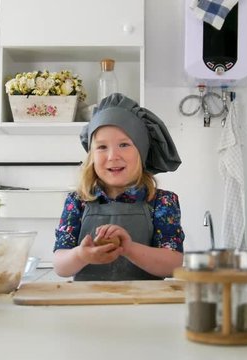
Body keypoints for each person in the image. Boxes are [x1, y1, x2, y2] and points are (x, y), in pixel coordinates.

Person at [53, 93, 184, 281]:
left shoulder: (162, 202)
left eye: (124, 144)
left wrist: (129, 249)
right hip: (87, 305)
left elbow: (173, 265)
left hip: (146, 305)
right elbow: (60, 266)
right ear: (91, 156)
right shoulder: (77, 201)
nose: (113, 156)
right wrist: (81, 255)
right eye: (102, 147)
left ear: (142, 151)